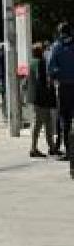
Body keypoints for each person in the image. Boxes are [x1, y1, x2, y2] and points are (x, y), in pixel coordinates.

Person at [46, 23, 74, 173]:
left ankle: (69, 152)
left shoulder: (56, 47)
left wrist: (57, 74)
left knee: (65, 120)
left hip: (63, 87)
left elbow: (51, 67)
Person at [27, 42, 58, 158]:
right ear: (40, 52)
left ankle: (51, 147)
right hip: (41, 98)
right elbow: (42, 81)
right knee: (40, 123)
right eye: (42, 51)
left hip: (36, 98)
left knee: (46, 122)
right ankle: (34, 148)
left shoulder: (31, 62)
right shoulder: (40, 63)